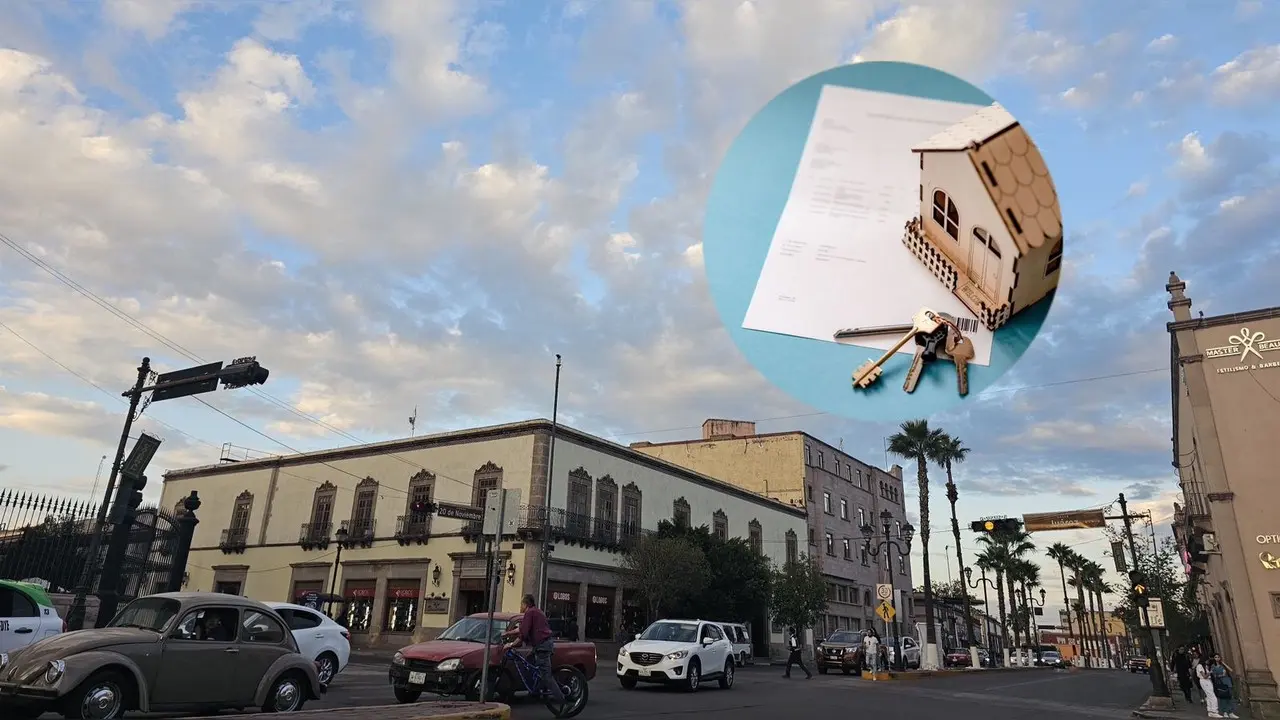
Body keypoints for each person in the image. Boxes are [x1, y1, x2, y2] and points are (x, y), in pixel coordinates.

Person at [502, 594, 565, 708]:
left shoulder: (529, 613)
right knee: (528, 661)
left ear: (525, 604)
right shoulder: (537, 611)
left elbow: (523, 633)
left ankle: (562, 701)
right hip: (542, 645)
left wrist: (511, 644)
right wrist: (508, 633)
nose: (520, 606)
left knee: (546, 676)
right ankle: (535, 689)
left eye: (521, 604)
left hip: (542, 647)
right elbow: (522, 628)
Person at [1209, 654, 1238, 718]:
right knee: (1223, 698)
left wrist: (1224, 663)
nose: (1217, 658)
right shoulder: (1213, 666)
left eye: (1218, 657)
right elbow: (1214, 675)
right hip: (1220, 683)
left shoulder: (1223, 665)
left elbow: (1231, 670)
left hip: (1227, 682)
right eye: (1215, 657)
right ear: (1214, 658)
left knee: (1230, 697)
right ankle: (1225, 712)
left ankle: (1231, 712)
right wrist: (1222, 675)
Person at [1194, 652, 1219, 718]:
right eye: (1207, 660)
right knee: (1212, 696)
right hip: (1205, 681)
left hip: (1207, 681)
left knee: (1208, 696)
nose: (1208, 661)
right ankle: (1214, 711)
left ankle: (1210, 711)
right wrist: (1210, 672)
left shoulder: (1205, 666)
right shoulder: (1200, 666)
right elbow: (1204, 676)